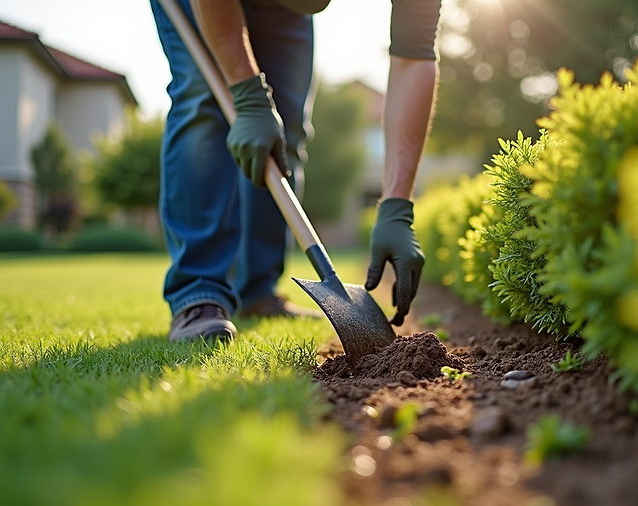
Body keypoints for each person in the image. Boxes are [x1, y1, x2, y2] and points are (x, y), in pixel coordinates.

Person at [150, 0, 441, 342]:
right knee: (205, 98)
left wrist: (397, 206)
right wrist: (246, 95)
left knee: (284, 130)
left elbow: (414, 58)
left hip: (288, 12)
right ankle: (199, 292)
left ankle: (257, 290)